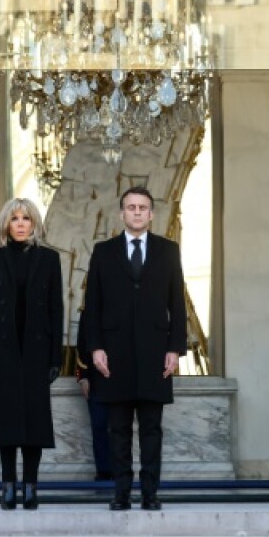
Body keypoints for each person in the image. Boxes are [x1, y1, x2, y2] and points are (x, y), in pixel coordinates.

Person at [82, 186, 188, 511]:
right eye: (131, 207)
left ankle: (151, 493)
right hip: (114, 356)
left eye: (143, 207)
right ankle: (121, 493)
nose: (137, 212)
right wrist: (95, 349)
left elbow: (177, 304)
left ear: (152, 214)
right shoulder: (104, 251)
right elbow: (93, 305)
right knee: (118, 429)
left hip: (156, 353)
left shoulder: (169, 251)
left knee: (152, 429)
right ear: (122, 214)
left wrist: (175, 348)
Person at [0, 197, 63, 511]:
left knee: (34, 422)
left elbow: (56, 310)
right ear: (6, 225)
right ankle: (8, 485)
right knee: (6, 420)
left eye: (26, 218)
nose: (21, 224)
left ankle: (31, 486)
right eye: (14, 219)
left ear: (34, 223)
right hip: (1, 350)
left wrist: (55, 358)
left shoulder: (50, 259)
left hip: (36, 349)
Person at [74, 314, 112, 481]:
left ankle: (121, 470)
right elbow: (82, 345)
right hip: (95, 379)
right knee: (99, 424)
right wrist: (83, 376)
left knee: (119, 427)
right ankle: (103, 470)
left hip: (123, 378)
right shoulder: (89, 311)